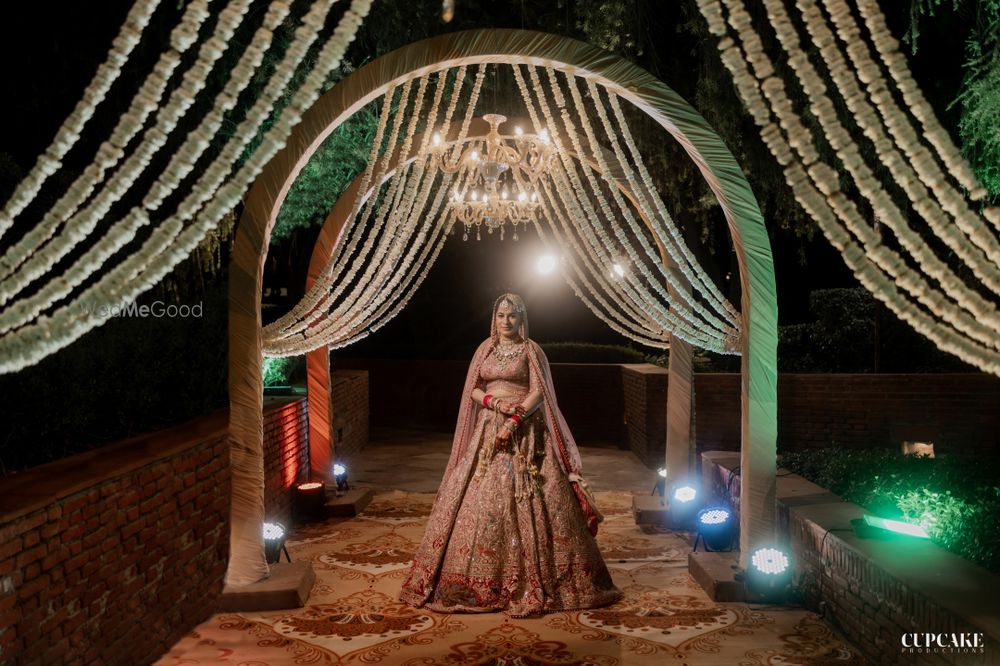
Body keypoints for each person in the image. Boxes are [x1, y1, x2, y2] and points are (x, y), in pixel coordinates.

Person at [400, 293, 622, 616]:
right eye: (501, 316)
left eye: (513, 316)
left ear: (522, 319)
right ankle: (476, 580)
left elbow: (539, 393)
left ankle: (539, 580)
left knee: (534, 498)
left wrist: (515, 419)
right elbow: (473, 388)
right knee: (479, 500)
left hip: (526, 433)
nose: (506, 322)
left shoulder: (531, 351)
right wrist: (494, 404)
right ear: (495, 318)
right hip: (488, 430)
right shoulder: (485, 349)